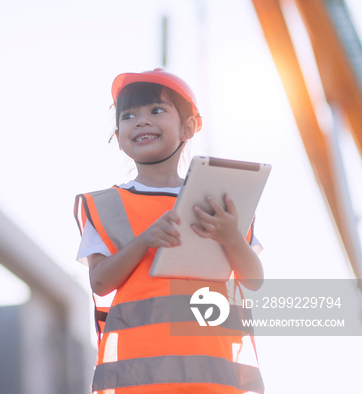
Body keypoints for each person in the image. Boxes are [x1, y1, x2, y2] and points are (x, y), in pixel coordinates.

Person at [74, 69, 264, 394]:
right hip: (140, 379)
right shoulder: (106, 205)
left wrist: (231, 236)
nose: (142, 121)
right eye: (129, 115)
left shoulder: (219, 200)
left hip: (213, 375)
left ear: (189, 127)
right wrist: (144, 241)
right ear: (117, 137)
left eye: (156, 110)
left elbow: (253, 279)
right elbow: (100, 282)